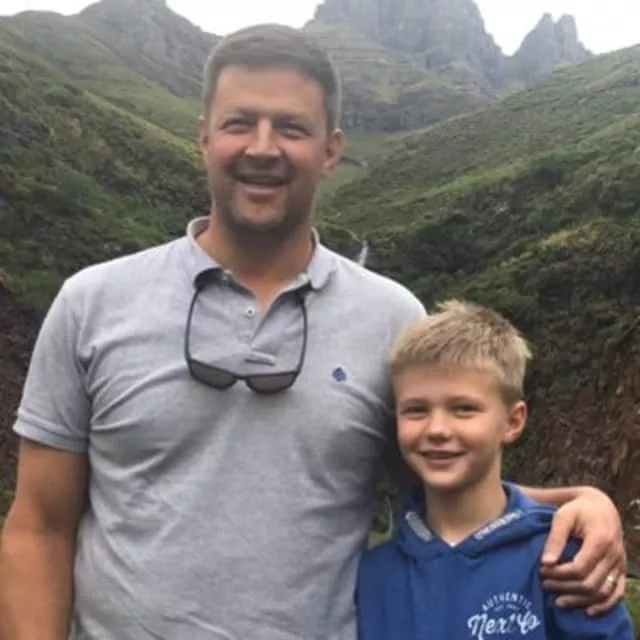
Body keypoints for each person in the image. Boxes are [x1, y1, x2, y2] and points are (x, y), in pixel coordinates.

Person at [0, 23, 627, 640]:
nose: (262, 147)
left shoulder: (393, 319)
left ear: (330, 149)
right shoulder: (92, 303)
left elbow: (448, 481)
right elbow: (38, 527)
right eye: (239, 123)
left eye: (291, 128)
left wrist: (580, 502)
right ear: (204, 137)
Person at [356, 300, 635, 640]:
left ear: (513, 421)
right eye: (416, 410)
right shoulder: (372, 573)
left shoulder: (566, 560)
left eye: (464, 409)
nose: (437, 429)